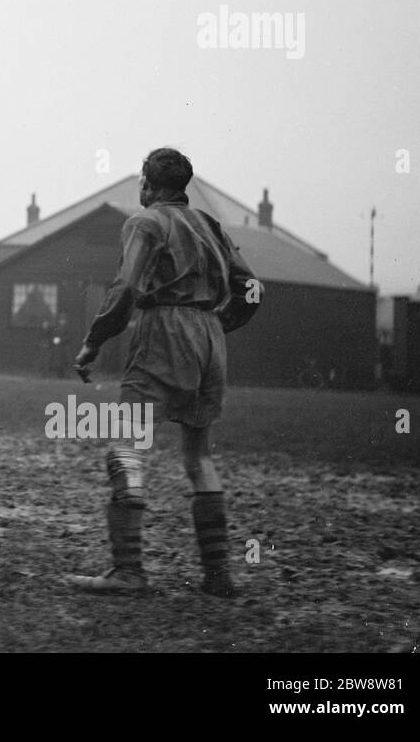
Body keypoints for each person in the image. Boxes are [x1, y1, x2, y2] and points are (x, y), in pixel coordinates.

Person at [70, 147, 261, 597]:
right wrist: (218, 323)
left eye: (142, 180)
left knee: (126, 447)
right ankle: (218, 577)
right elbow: (251, 288)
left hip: (165, 333)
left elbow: (126, 288)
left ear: (148, 184)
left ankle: (129, 571)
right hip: (210, 339)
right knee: (199, 459)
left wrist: (93, 342)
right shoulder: (209, 226)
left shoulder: (145, 222)